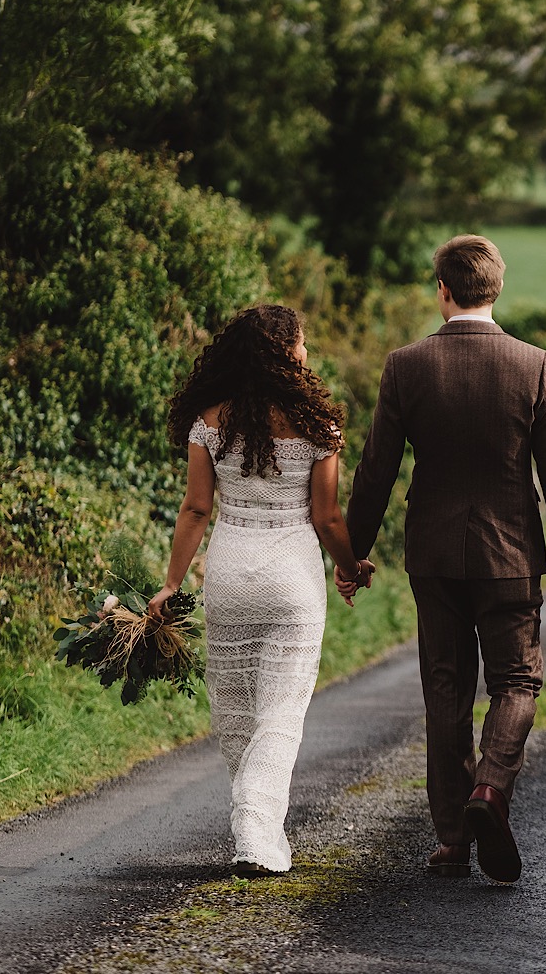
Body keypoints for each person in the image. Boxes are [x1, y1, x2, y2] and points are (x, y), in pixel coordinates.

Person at [338, 233, 546, 885]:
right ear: (496, 288)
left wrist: (351, 553)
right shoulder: (536, 365)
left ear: (441, 290)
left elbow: (376, 472)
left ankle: (452, 839)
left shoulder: (406, 366)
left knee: (445, 689)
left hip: (434, 553)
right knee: (517, 683)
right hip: (510, 555)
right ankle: (490, 790)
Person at [149, 304, 371, 877]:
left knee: (236, 711)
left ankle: (255, 826)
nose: (305, 351)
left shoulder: (209, 421)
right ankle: (256, 826)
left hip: (230, 572)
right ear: (286, 352)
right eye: (301, 342)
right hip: (294, 576)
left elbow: (197, 508)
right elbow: (327, 519)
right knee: (282, 713)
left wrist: (173, 583)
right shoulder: (319, 425)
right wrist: (351, 568)